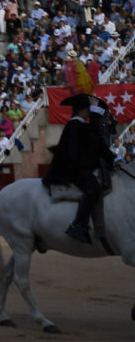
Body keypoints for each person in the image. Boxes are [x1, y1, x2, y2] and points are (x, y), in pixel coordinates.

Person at [44, 94, 110, 244]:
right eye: (89, 109)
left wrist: (115, 159)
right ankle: (78, 225)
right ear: (82, 110)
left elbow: (99, 144)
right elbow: (92, 131)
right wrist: (95, 111)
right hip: (74, 169)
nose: (91, 113)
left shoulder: (82, 126)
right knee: (93, 188)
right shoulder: (74, 125)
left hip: (83, 168)